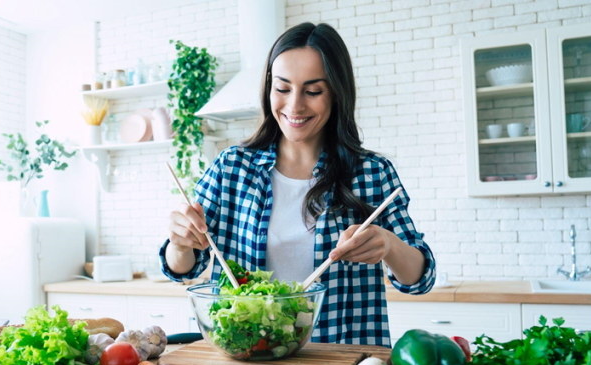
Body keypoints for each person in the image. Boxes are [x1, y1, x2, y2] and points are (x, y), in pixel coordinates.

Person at [159, 22, 435, 346]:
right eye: (283, 88)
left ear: (337, 92)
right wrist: (179, 243)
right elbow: (185, 270)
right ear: (268, 89)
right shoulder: (231, 167)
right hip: (248, 359)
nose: (295, 106)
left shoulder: (372, 173)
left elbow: (420, 278)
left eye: (313, 91)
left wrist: (389, 245)